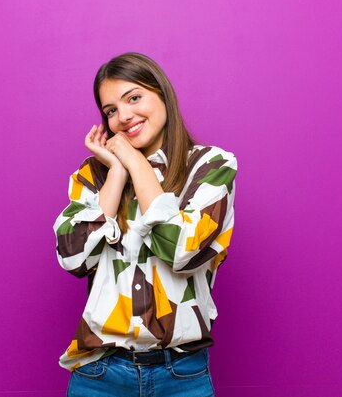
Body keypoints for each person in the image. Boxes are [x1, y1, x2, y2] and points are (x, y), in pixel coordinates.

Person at [53, 52, 237, 397]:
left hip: (182, 376)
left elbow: (181, 251)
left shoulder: (211, 167)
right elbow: (73, 257)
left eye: (134, 98)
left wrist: (135, 163)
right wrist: (117, 173)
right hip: (100, 374)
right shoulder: (93, 175)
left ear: (163, 95)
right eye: (110, 110)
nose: (123, 117)